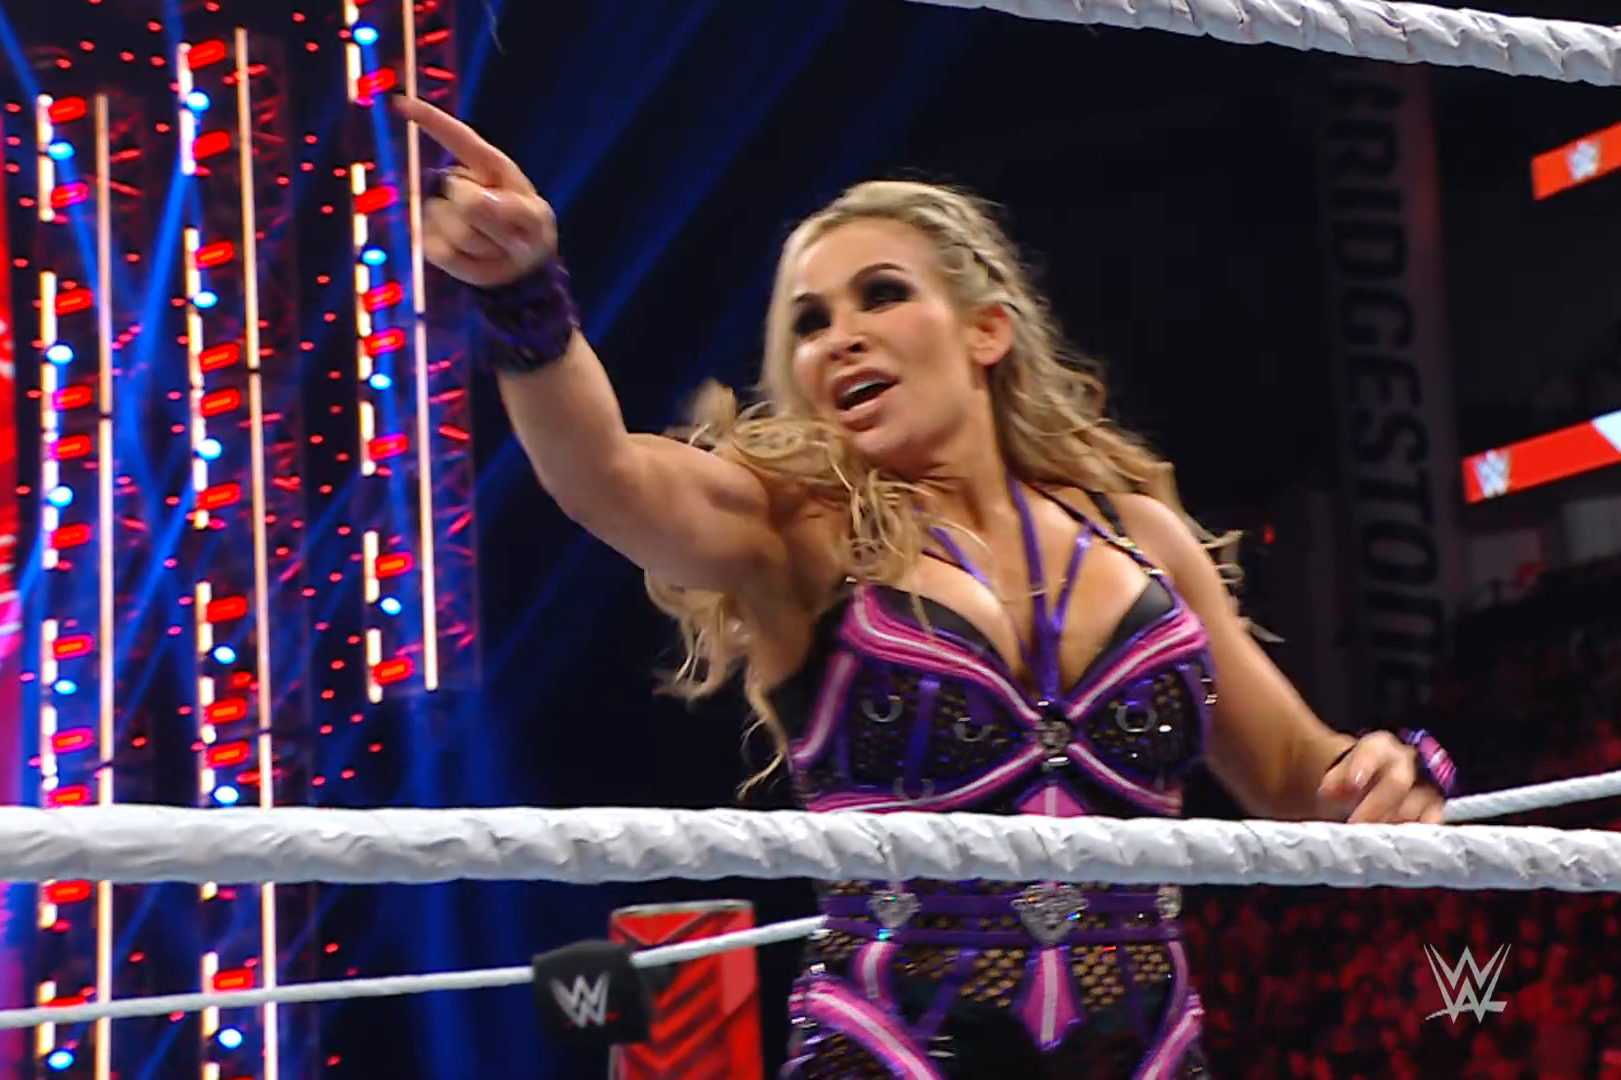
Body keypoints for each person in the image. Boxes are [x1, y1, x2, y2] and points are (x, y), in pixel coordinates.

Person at [396, 97, 1457, 1079]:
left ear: (986, 329)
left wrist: (1386, 770)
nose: (840, 336)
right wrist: (524, 293)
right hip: (889, 1053)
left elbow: (1292, 771)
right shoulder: (798, 535)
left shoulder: (1142, 538)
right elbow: (606, 476)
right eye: (809, 322)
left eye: (882, 294)